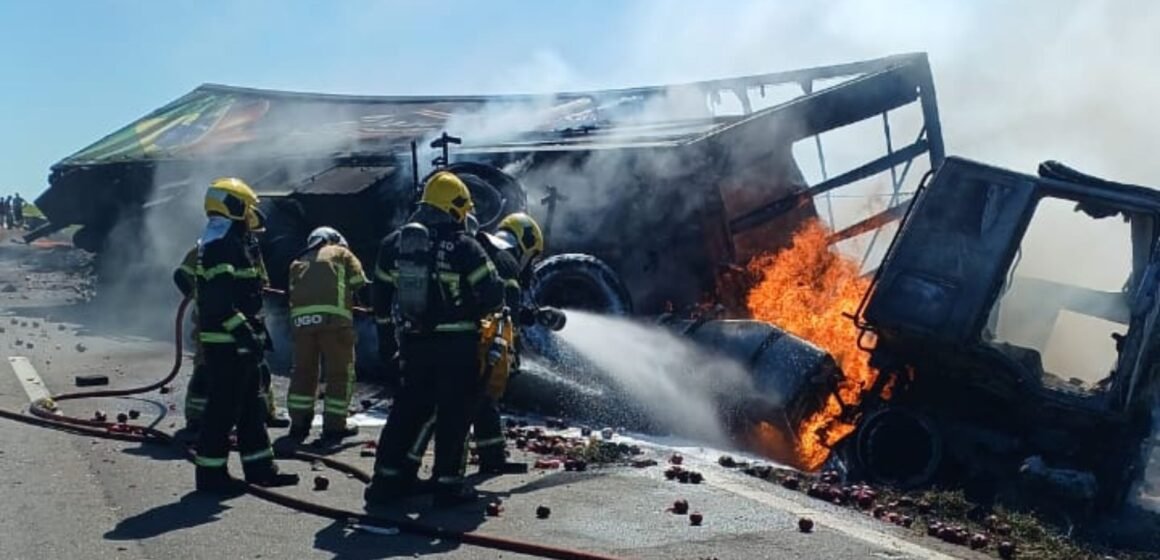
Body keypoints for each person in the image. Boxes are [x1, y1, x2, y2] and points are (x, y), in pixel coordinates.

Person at [365, 171, 505, 507]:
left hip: (414, 345)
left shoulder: (393, 245)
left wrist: (387, 343)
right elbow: (493, 294)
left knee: (407, 412)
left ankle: (386, 482)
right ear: (456, 207)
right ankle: (448, 485)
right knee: (455, 415)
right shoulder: (464, 246)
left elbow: (380, 299)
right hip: (458, 348)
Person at [192, 177, 298, 492]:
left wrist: (254, 332)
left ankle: (260, 468)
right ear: (236, 207)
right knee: (222, 409)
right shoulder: (221, 245)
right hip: (226, 342)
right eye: (248, 207)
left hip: (237, 338)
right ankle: (211, 476)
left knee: (252, 406)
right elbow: (218, 303)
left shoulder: (229, 241)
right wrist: (244, 334)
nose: (253, 214)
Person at [285, 225, 367, 443]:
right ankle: (334, 426)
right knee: (340, 374)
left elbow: (291, 295)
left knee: (303, 373)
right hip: (335, 324)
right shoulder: (341, 253)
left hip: (302, 326)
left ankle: (299, 424)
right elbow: (360, 283)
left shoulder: (296, 262)